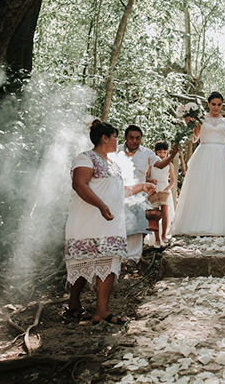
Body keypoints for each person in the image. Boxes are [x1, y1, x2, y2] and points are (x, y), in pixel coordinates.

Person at [64, 120, 154, 325]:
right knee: (82, 262)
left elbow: (119, 192)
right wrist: (102, 206)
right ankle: (73, 305)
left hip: (110, 224)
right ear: (105, 138)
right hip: (87, 222)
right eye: (115, 137)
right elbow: (79, 184)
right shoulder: (85, 158)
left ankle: (101, 311)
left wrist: (143, 186)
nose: (117, 141)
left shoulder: (113, 165)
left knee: (107, 263)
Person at [172, 92, 225, 236]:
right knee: (202, 186)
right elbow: (194, 139)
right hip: (204, 153)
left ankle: (220, 224)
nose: (216, 107)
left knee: (220, 187)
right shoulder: (200, 119)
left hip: (221, 155)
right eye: (213, 104)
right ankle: (199, 222)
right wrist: (189, 125)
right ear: (208, 104)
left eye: (219, 104)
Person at [117, 125, 177, 263]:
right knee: (119, 222)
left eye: (138, 138)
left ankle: (134, 257)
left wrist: (172, 156)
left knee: (137, 224)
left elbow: (160, 165)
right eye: (131, 138)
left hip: (140, 192)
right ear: (125, 137)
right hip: (119, 189)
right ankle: (119, 256)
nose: (134, 141)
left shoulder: (147, 152)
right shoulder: (116, 149)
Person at [149, 141, 176, 246]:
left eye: (164, 152)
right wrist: (151, 181)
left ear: (168, 152)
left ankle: (164, 235)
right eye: (159, 152)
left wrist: (166, 189)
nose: (162, 154)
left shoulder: (169, 164)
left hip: (165, 189)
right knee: (155, 214)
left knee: (165, 213)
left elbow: (173, 181)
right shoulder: (152, 164)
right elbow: (146, 176)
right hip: (154, 189)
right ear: (155, 152)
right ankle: (156, 239)